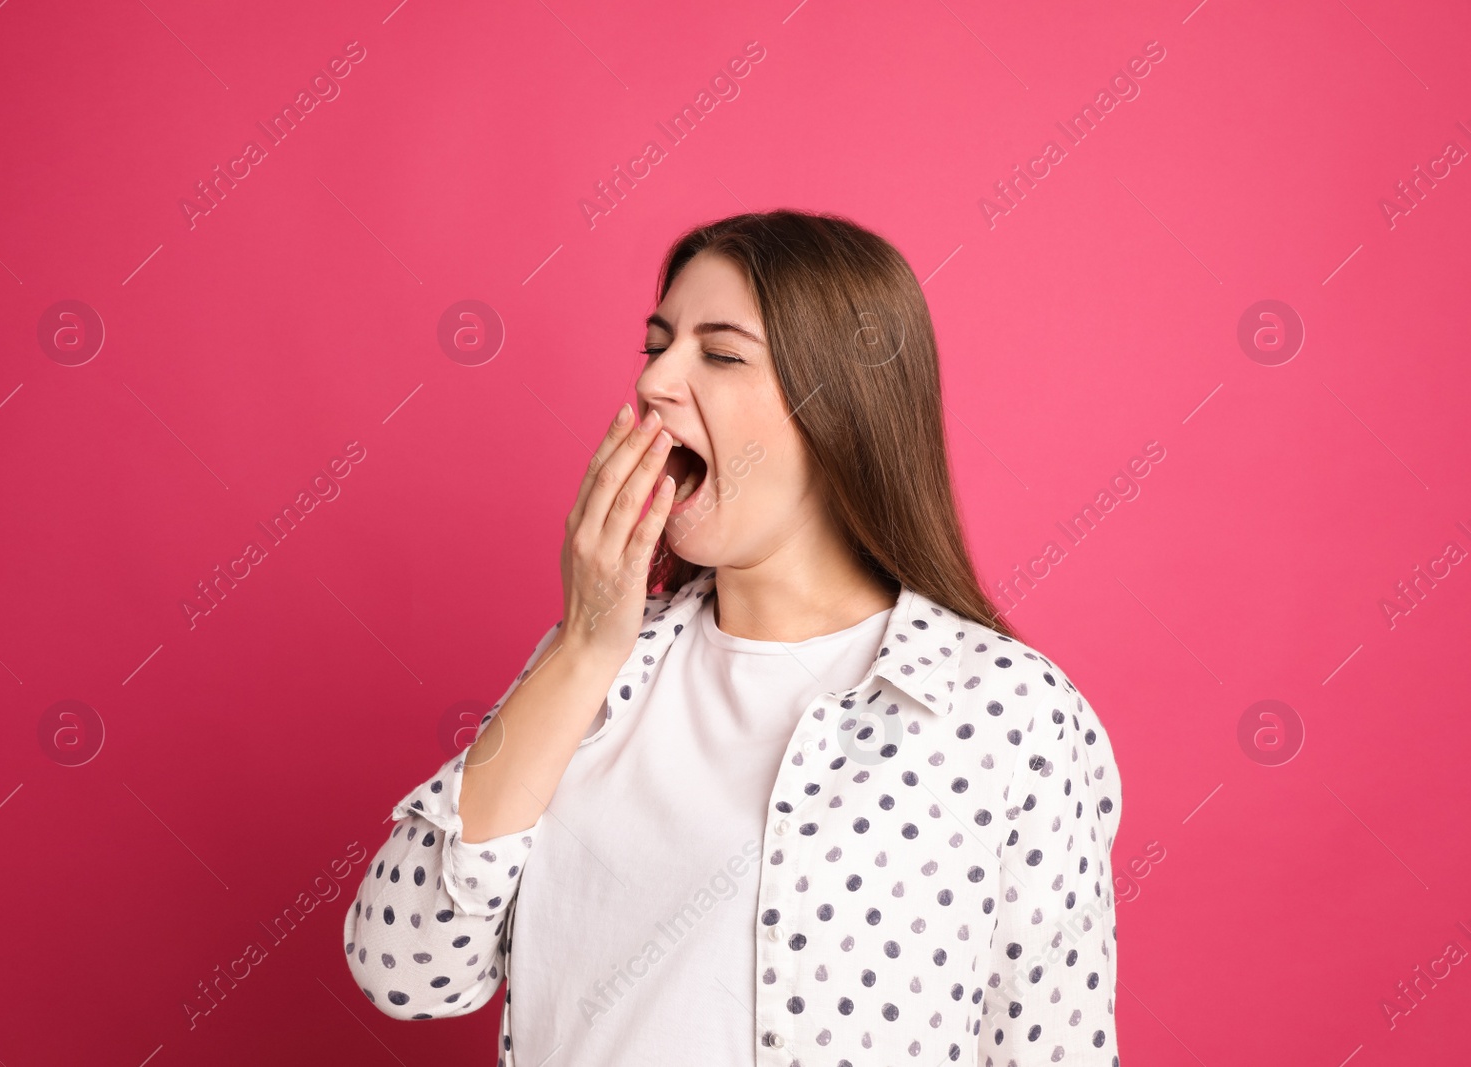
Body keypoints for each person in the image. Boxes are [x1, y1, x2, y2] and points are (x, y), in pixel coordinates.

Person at [344, 209, 1123, 1066]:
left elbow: (1055, 1049)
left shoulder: (1010, 714)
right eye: (656, 345)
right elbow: (403, 967)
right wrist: (581, 650)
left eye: (719, 354)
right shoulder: (588, 669)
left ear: (842, 409)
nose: (654, 384)